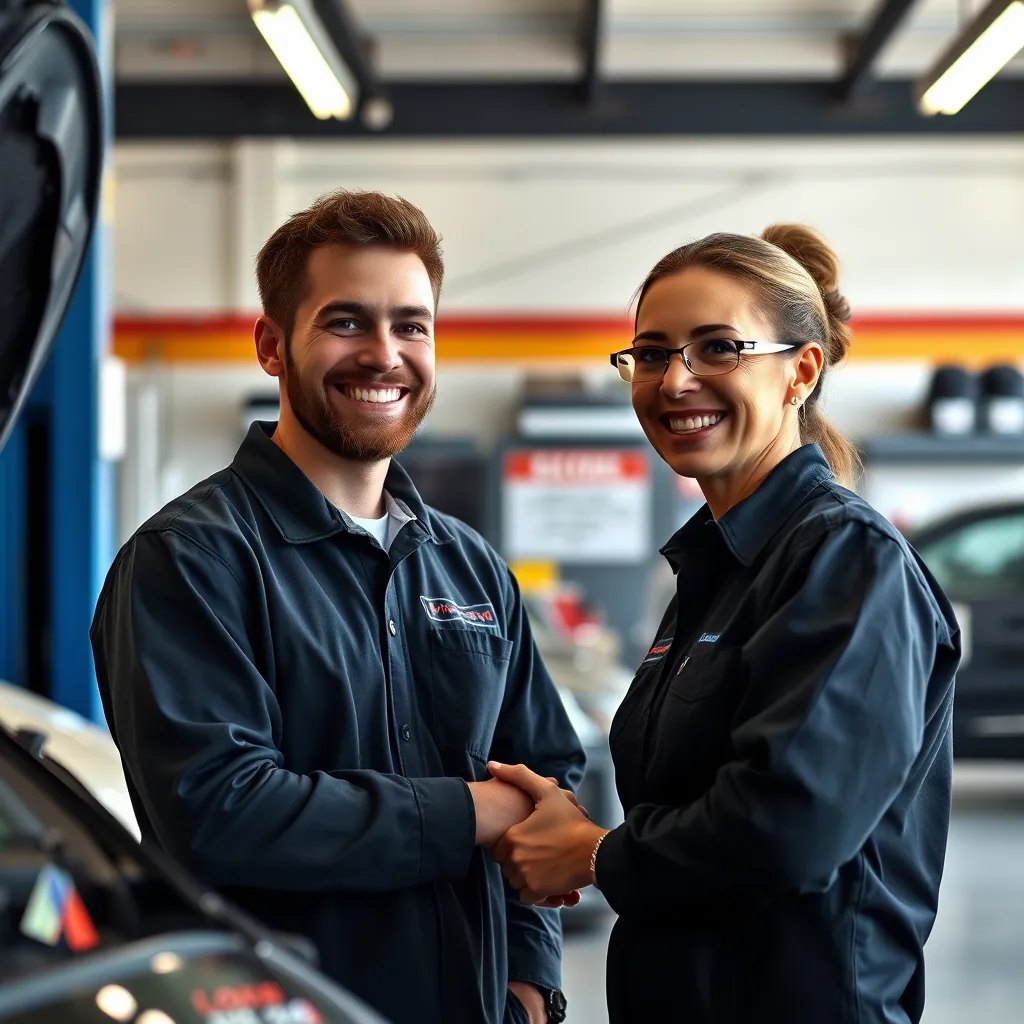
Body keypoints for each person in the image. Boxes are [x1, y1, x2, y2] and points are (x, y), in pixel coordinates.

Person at [90, 190, 586, 1024]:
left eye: (412, 325)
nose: (385, 354)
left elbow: (545, 786)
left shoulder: (469, 567)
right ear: (273, 347)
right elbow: (223, 811)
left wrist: (530, 984)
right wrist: (469, 810)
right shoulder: (190, 561)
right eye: (347, 322)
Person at [487, 224, 961, 1024]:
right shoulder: (719, 569)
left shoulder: (848, 560)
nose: (676, 380)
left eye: (718, 348)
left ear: (800, 372)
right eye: (651, 352)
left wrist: (598, 853)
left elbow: (792, 825)